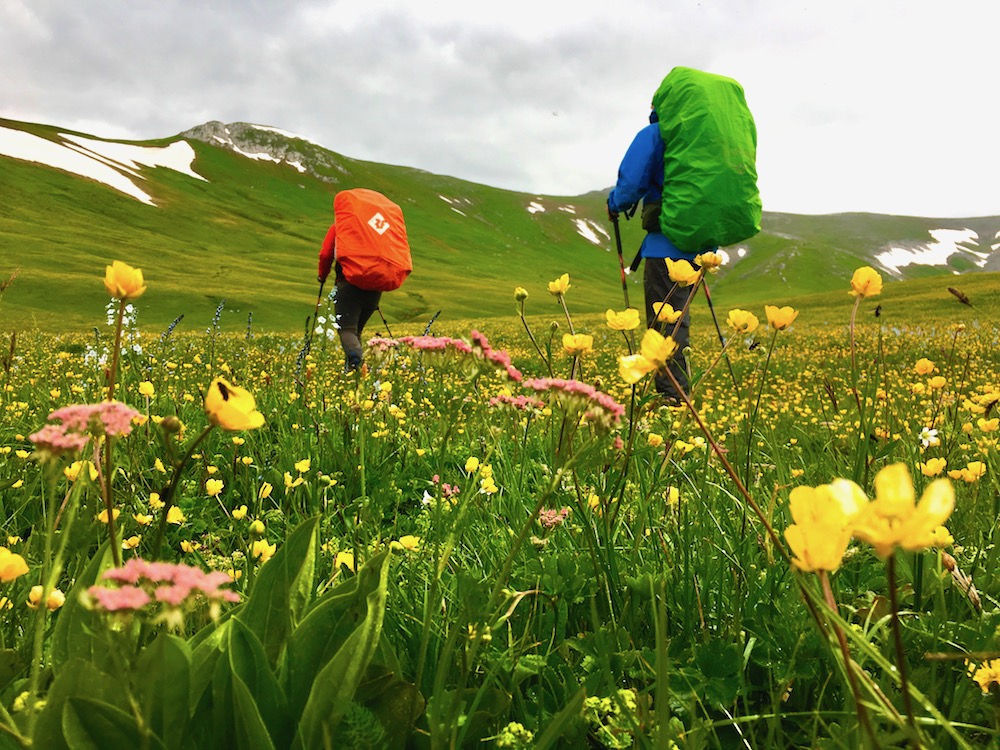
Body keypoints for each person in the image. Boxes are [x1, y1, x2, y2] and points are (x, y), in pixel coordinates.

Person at [607, 106, 700, 403]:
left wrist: (615, 203)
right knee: (677, 318)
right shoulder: (701, 139)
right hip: (701, 245)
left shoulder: (656, 133)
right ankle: (678, 390)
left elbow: (631, 182)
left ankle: (672, 398)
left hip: (665, 245)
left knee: (664, 323)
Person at [317, 223, 381, 371]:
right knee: (356, 330)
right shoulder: (373, 227)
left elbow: (326, 254)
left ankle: (357, 364)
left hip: (348, 285)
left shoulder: (341, 225)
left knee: (347, 329)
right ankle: (354, 372)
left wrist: (322, 275)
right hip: (375, 288)